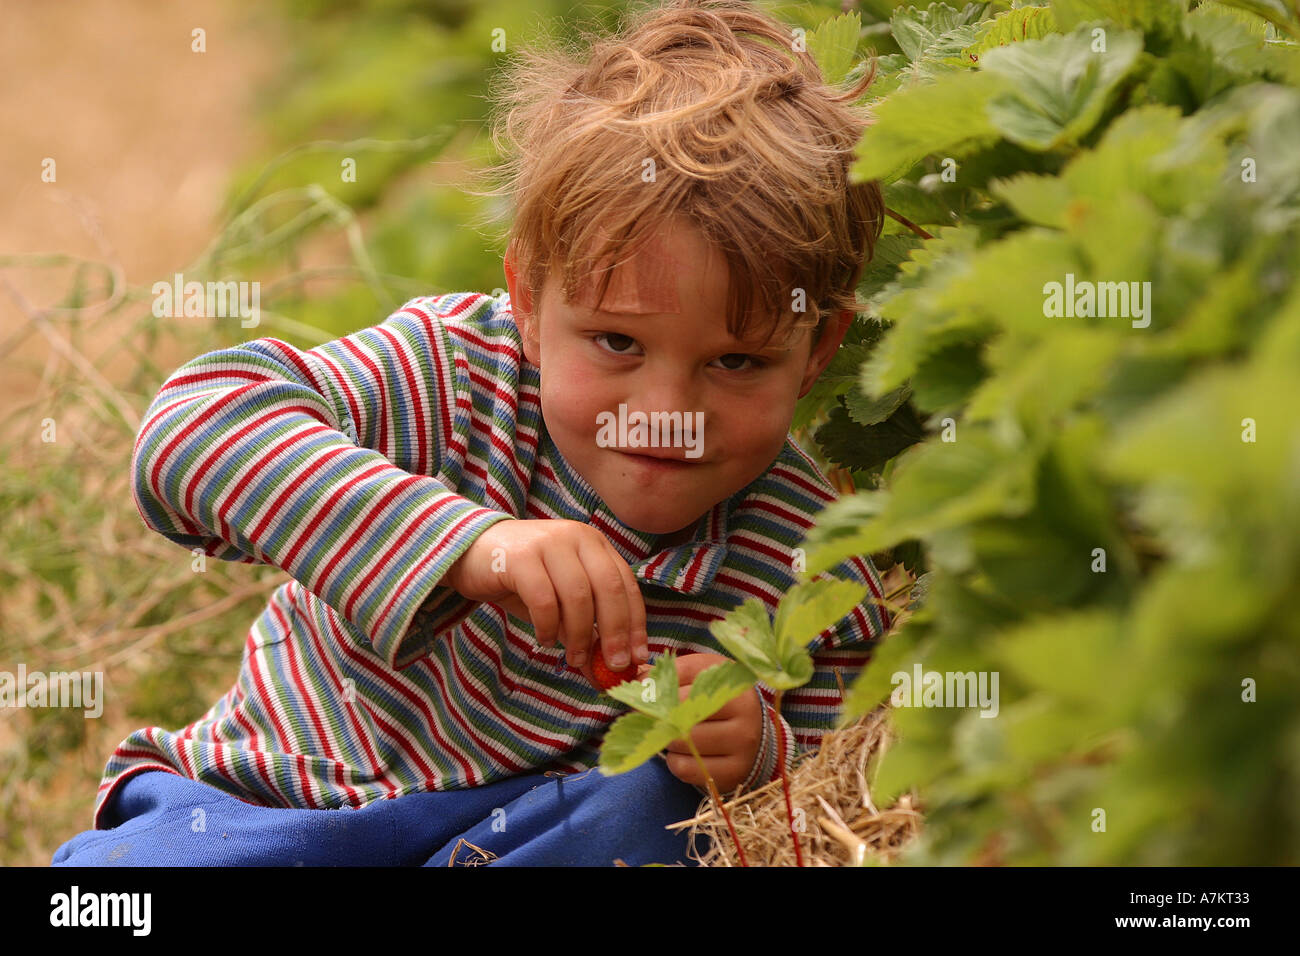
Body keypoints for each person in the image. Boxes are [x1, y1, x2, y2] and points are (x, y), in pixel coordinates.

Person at [52, 0, 890, 867]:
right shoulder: (454, 377)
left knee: (662, 812)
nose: (663, 410)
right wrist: (465, 543)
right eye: (617, 343)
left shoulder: (813, 563)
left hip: (521, 841)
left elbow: (844, 792)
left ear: (819, 346)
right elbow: (195, 427)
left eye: (737, 362)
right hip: (277, 804)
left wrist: (759, 753)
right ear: (529, 304)